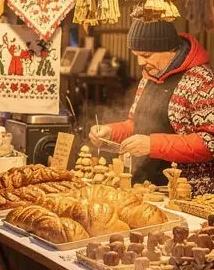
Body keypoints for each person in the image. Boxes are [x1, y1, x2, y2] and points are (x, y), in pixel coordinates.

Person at [91, 19, 214, 194]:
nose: (140, 62)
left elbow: (209, 142)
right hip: (146, 187)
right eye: (136, 55)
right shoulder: (149, 75)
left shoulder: (201, 81)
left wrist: (152, 145)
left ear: (170, 49)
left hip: (185, 193)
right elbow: (137, 125)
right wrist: (111, 132)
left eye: (146, 55)